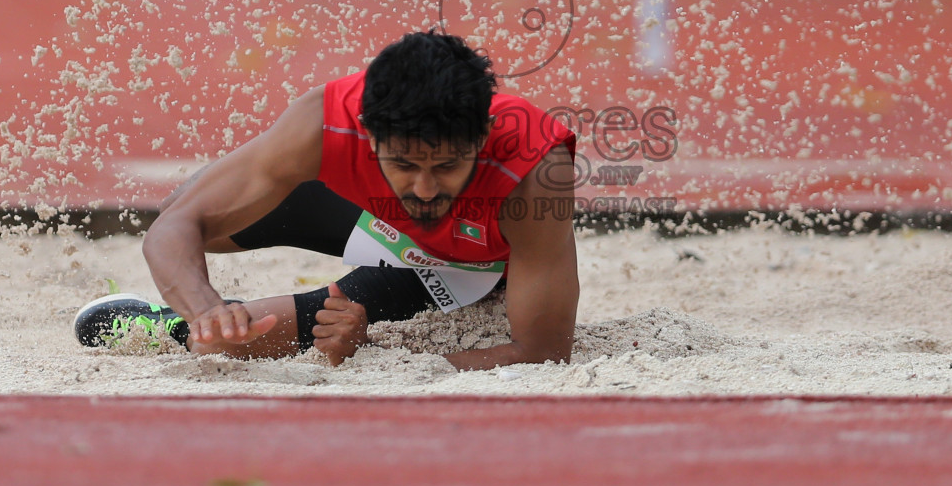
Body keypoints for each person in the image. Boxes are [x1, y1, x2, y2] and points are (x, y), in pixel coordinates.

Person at [74, 31, 579, 370]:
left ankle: (167, 330)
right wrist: (205, 306)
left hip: (469, 263)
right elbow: (178, 221)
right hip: (377, 217)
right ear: (369, 135)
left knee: (225, 343)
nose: (424, 191)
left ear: (483, 137)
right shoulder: (319, 120)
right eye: (405, 165)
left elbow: (543, 352)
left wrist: (373, 351)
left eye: (447, 168)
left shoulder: (534, 171)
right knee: (196, 211)